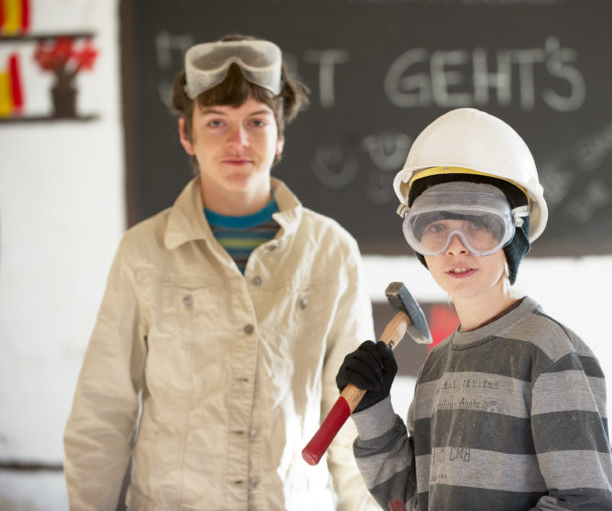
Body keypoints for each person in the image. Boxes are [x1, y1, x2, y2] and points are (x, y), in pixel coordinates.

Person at [63, 35, 378, 511]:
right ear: (186, 135)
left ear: (281, 136)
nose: (239, 141)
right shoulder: (143, 252)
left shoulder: (331, 251)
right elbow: (103, 412)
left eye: (257, 121)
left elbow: (347, 417)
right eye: (216, 122)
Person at [336, 108, 612, 510]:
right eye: (435, 227)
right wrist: (373, 411)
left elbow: (587, 505)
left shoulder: (550, 355)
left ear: (514, 234)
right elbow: (411, 500)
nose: (455, 245)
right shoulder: (438, 366)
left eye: (478, 223)